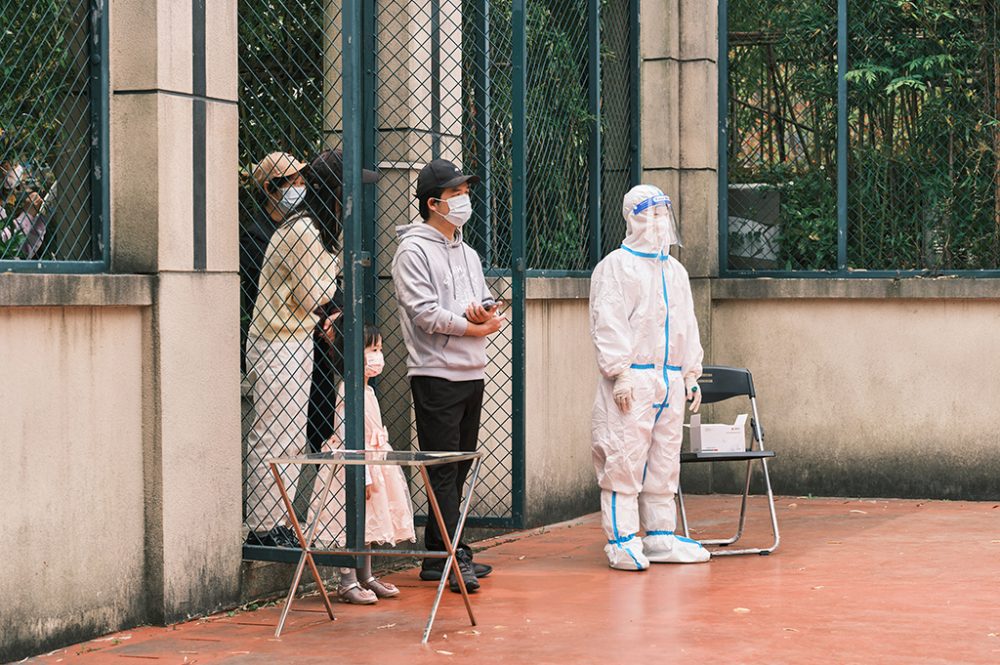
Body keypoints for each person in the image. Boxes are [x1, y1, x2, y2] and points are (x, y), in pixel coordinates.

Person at [391, 158, 506, 593]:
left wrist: (486, 312)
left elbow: (481, 298)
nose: (464, 200)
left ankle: (440, 554)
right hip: (435, 372)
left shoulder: (468, 252)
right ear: (433, 203)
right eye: (456, 194)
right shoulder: (413, 251)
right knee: (442, 468)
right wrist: (473, 324)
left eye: (465, 192)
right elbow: (424, 313)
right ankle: (452, 557)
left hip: (470, 370)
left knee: (458, 469)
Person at [589, 184, 709, 571]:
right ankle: (621, 540)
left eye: (663, 213)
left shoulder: (675, 271)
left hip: (669, 379)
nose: (659, 221)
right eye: (650, 212)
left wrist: (691, 372)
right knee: (623, 460)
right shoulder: (615, 267)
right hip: (634, 380)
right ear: (631, 217)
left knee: (663, 461)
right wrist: (620, 371)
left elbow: (686, 324)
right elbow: (607, 322)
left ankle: (660, 536)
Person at [243, 153, 342, 548]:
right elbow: (312, 293)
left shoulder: (313, 229)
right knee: (272, 435)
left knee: (291, 438)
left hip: (295, 336)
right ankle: (263, 527)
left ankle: (279, 522)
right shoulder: (302, 231)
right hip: (276, 339)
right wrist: (334, 271)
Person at [313, 324, 417, 605]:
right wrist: (365, 475)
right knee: (348, 523)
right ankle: (347, 581)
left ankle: (366, 576)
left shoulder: (367, 390)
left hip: (374, 462)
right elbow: (350, 439)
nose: (378, 356)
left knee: (368, 521)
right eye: (373, 350)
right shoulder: (349, 390)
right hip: (356, 467)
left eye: (379, 349)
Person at [240, 152, 308, 370]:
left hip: (304, 335)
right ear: (270, 189)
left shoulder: (300, 226)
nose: (299, 189)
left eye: (301, 183)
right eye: (293, 183)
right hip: (274, 339)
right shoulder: (254, 237)